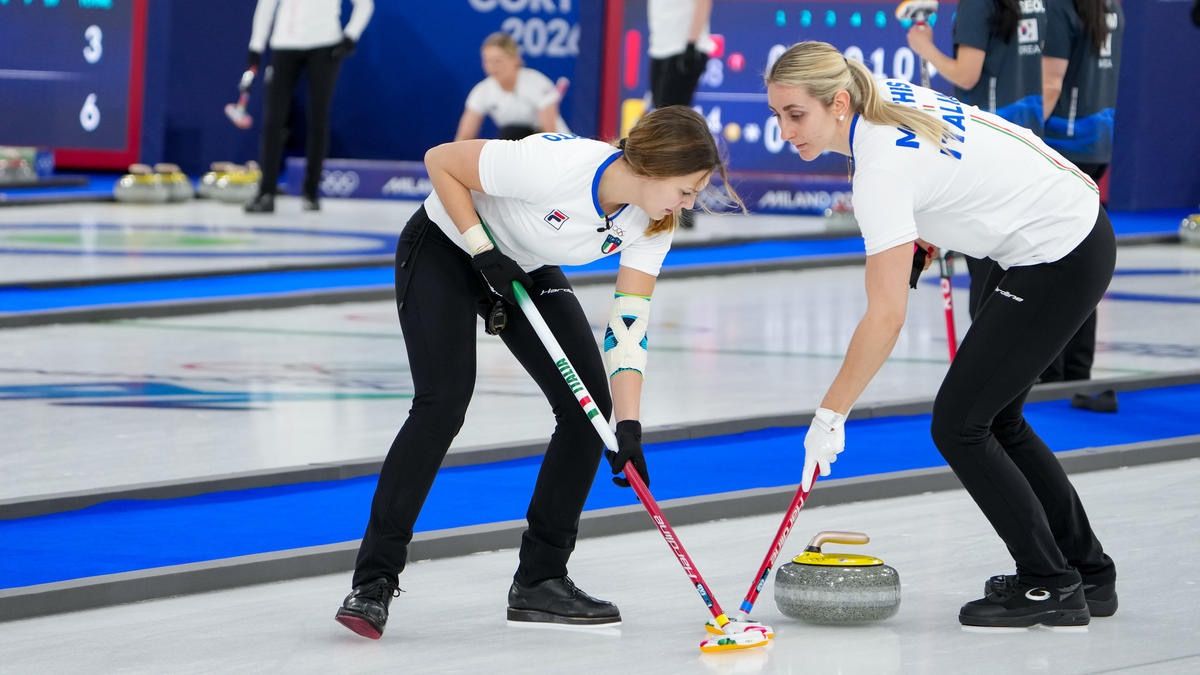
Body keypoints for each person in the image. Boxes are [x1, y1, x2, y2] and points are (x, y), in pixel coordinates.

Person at [333, 106, 742, 640]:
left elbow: (628, 324)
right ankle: (373, 582)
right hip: (447, 244)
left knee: (588, 410)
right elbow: (440, 161)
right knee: (443, 402)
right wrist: (483, 250)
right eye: (686, 190)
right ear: (653, 166)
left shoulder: (653, 222)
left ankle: (540, 579)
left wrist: (628, 425)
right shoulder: (557, 165)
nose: (688, 204)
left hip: (522, 263)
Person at [766, 41, 1117, 629]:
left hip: (1058, 251)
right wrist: (926, 239)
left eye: (795, 114)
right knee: (995, 419)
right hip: (1056, 231)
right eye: (777, 114)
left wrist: (830, 415)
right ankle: (1088, 573)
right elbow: (949, 170)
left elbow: (885, 318)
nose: (784, 131)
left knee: (959, 425)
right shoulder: (881, 98)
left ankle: (1049, 585)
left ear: (839, 103)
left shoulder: (878, 169)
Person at [907, 0, 1047, 318]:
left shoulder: (977, 3)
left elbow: (967, 74)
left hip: (989, 146)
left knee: (988, 275)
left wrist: (924, 47)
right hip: (1026, 142)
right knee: (1012, 266)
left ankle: (990, 346)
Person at [1040, 0, 1124, 391]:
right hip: (1096, 144)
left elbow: (1051, 83)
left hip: (1063, 145)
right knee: (1079, 261)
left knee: (1052, 263)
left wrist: (1022, 138)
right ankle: (1075, 369)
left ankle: (1052, 372)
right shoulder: (1109, 5)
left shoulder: (1062, 7)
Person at [243, 0, 374, 214]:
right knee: (274, 120)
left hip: (325, 46)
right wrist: (256, 45)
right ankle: (266, 192)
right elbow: (266, 5)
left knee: (318, 119)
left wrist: (351, 35)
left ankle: (311, 192)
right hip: (284, 44)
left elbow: (365, 5)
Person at [647, 0, 715, 230]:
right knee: (664, 126)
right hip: (660, 47)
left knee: (675, 128)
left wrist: (692, 43)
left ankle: (685, 199)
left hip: (684, 47)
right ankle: (672, 199)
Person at [454, 32, 569, 142]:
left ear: (515, 59)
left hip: (556, 145)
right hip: (517, 145)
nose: (492, 67)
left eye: (498, 61)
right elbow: (464, 136)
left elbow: (550, 132)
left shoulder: (537, 83)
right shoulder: (482, 91)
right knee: (510, 134)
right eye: (487, 61)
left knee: (513, 133)